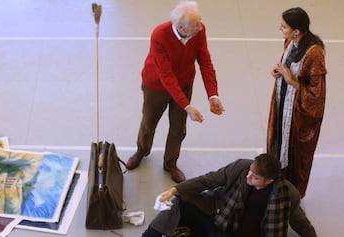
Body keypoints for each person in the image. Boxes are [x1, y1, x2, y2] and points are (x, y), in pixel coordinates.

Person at [126, 0, 224, 183]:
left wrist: (213, 95)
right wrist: (187, 106)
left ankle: (170, 163)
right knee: (148, 124)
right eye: (195, 25)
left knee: (179, 128)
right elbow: (166, 76)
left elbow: (205, 62)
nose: (200, 28)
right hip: (156, 86)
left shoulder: (199, 31)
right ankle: (142, 151)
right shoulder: (159, 35)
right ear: (181, 26)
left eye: (199, 22)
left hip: (185, 82)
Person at [141, 154, 317, 237]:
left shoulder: (287, 195)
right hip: (217, 218)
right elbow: (207, 180)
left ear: (268, 181)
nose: (249, 176)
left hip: (230, 234)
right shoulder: (241, 168)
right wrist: (174, 190)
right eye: (250, 171)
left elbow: (301, 223)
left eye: (255, 177)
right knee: (180, 202)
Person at [267, 7, 327, 198]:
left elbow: (315, 95)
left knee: (295, 155)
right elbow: (286, 66)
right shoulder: (291, 42)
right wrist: (278, 71)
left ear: (297, 31)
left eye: (284, 26)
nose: (280, 29)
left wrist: (289, 78)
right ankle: (277, 183)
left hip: (299, 114)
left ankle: (292, 195)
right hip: (283, 103)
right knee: (278, 143)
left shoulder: (314, 54)